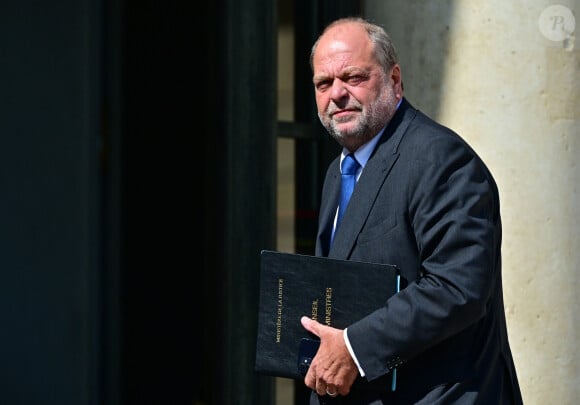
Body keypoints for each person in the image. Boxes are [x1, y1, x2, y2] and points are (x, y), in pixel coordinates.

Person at [299, 16, 524, 404]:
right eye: (324, 83)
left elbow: (458, 287)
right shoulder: (338, 171)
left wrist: (353, 348)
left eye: (353, 77)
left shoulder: (441, 159)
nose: (336, 93)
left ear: (395, 80)